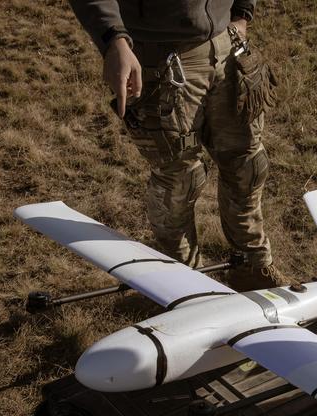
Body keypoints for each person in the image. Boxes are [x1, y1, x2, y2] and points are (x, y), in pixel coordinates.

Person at [68, 0, 287, 291]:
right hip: (158, 58)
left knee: (247, 163)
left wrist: (242, 14)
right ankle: (183, 285)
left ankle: (252, 265)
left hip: (225, 46)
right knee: (180, 178)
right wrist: (113, 40)